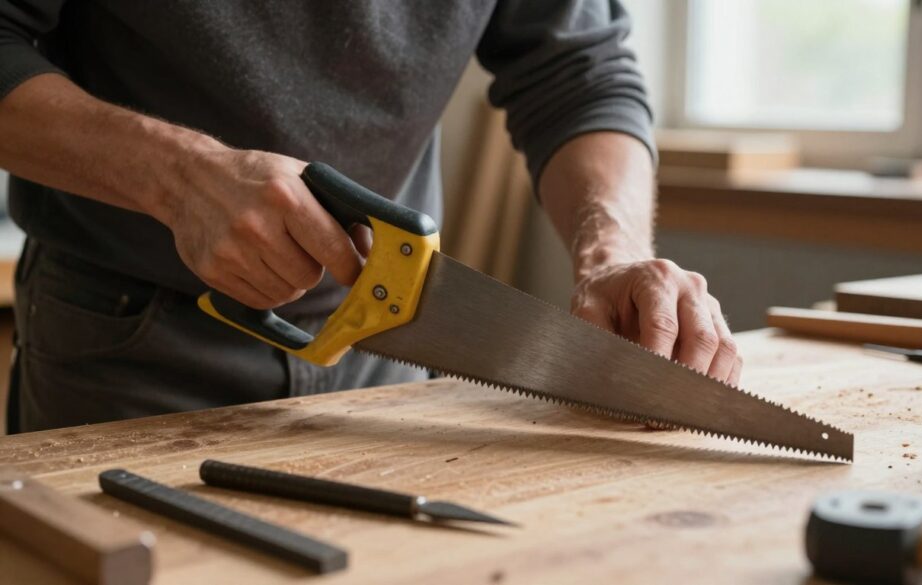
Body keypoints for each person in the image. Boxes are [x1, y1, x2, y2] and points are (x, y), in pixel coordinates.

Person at [0, 1, 741, 433]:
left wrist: (608, 249)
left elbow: (579, 71)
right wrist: (180, 178)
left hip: (391, 344)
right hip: (124, 344)